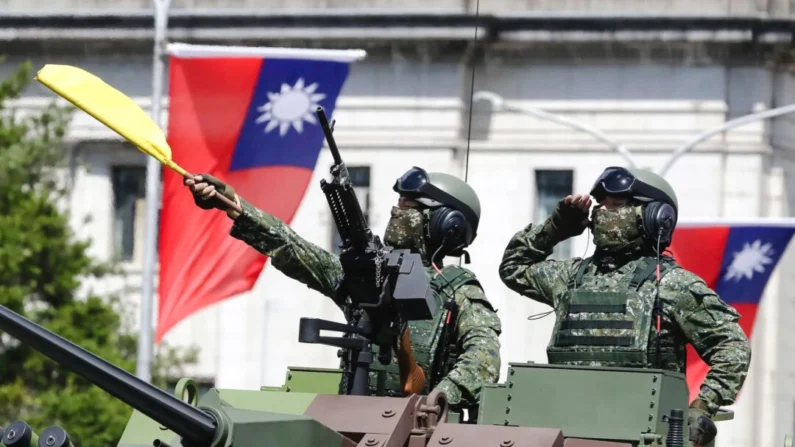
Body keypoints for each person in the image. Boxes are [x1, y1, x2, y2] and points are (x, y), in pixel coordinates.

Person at [184, 166, 502, 414]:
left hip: (419, 429)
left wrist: (439, 397)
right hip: (350, 419)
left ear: (446, 223)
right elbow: (293, 248)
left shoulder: (458, 292)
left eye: (409, 204)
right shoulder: (371, 274)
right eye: (398, 201)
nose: (397, 209)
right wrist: (234, 206)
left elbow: (483, 358)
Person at [498, 166, 751, 447]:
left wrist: (703, 406)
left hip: (641, 437)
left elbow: (732, 347)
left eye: (616, 204)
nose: (601, 211)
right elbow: (513, 267)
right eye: (601, 204)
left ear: (655, 217)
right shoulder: (569, 277)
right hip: (562, 431)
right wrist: (556, 228)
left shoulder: (672, 284)